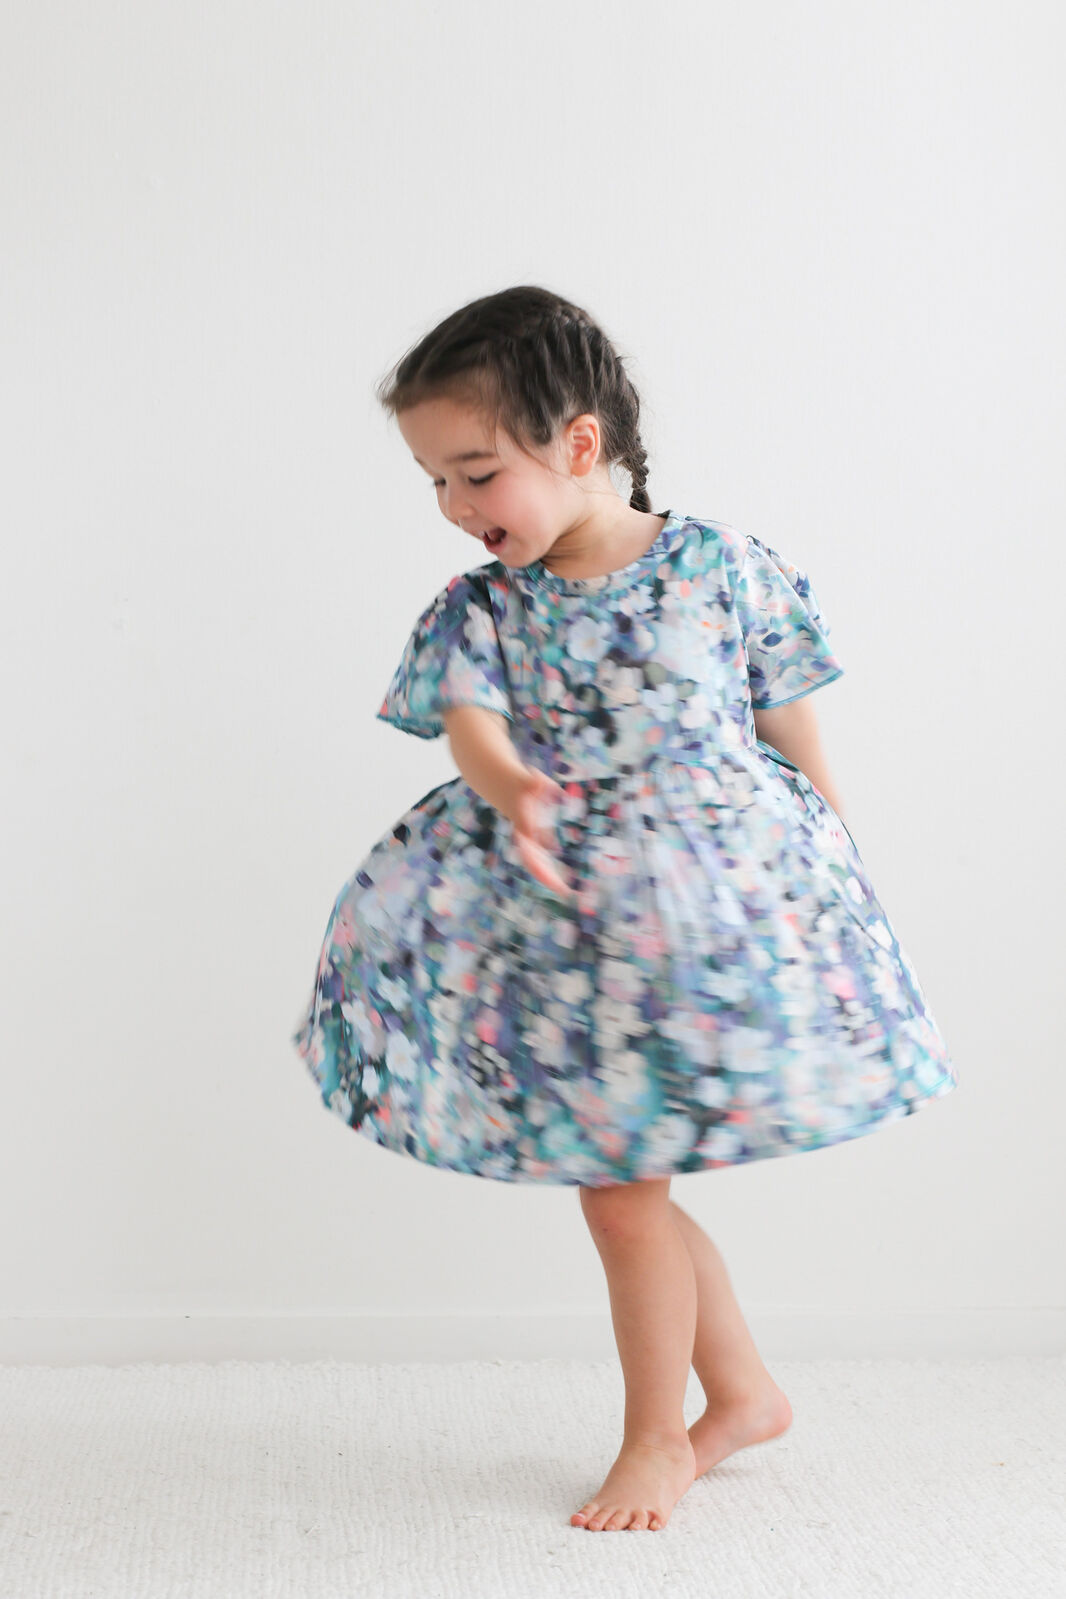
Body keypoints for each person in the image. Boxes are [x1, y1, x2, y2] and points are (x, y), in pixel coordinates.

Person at [291, 284, 959, 1533]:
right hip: (575, 939)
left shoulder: (719, 565)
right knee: (628, 1183)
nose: (454, 509)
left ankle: (665, 1433)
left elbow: (786, 713)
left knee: (625, 1187)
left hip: (707, 921)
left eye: (476, 474)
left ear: (580, 445)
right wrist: (515, 790)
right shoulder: (483, 608)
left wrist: (835, 848)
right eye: (434, 483)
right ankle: (740, 1396)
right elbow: (471, 725)